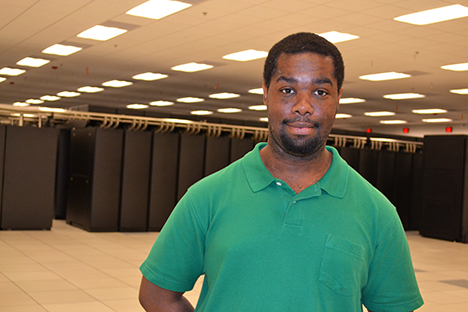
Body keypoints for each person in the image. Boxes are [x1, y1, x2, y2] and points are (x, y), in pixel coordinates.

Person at [139, 32, 424, 312]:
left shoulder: (377, 212)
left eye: (320, 92)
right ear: (265, 93)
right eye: (287, 90)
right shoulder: (207, 197)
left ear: (338, 98)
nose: (303, 106)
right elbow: (156, 295)